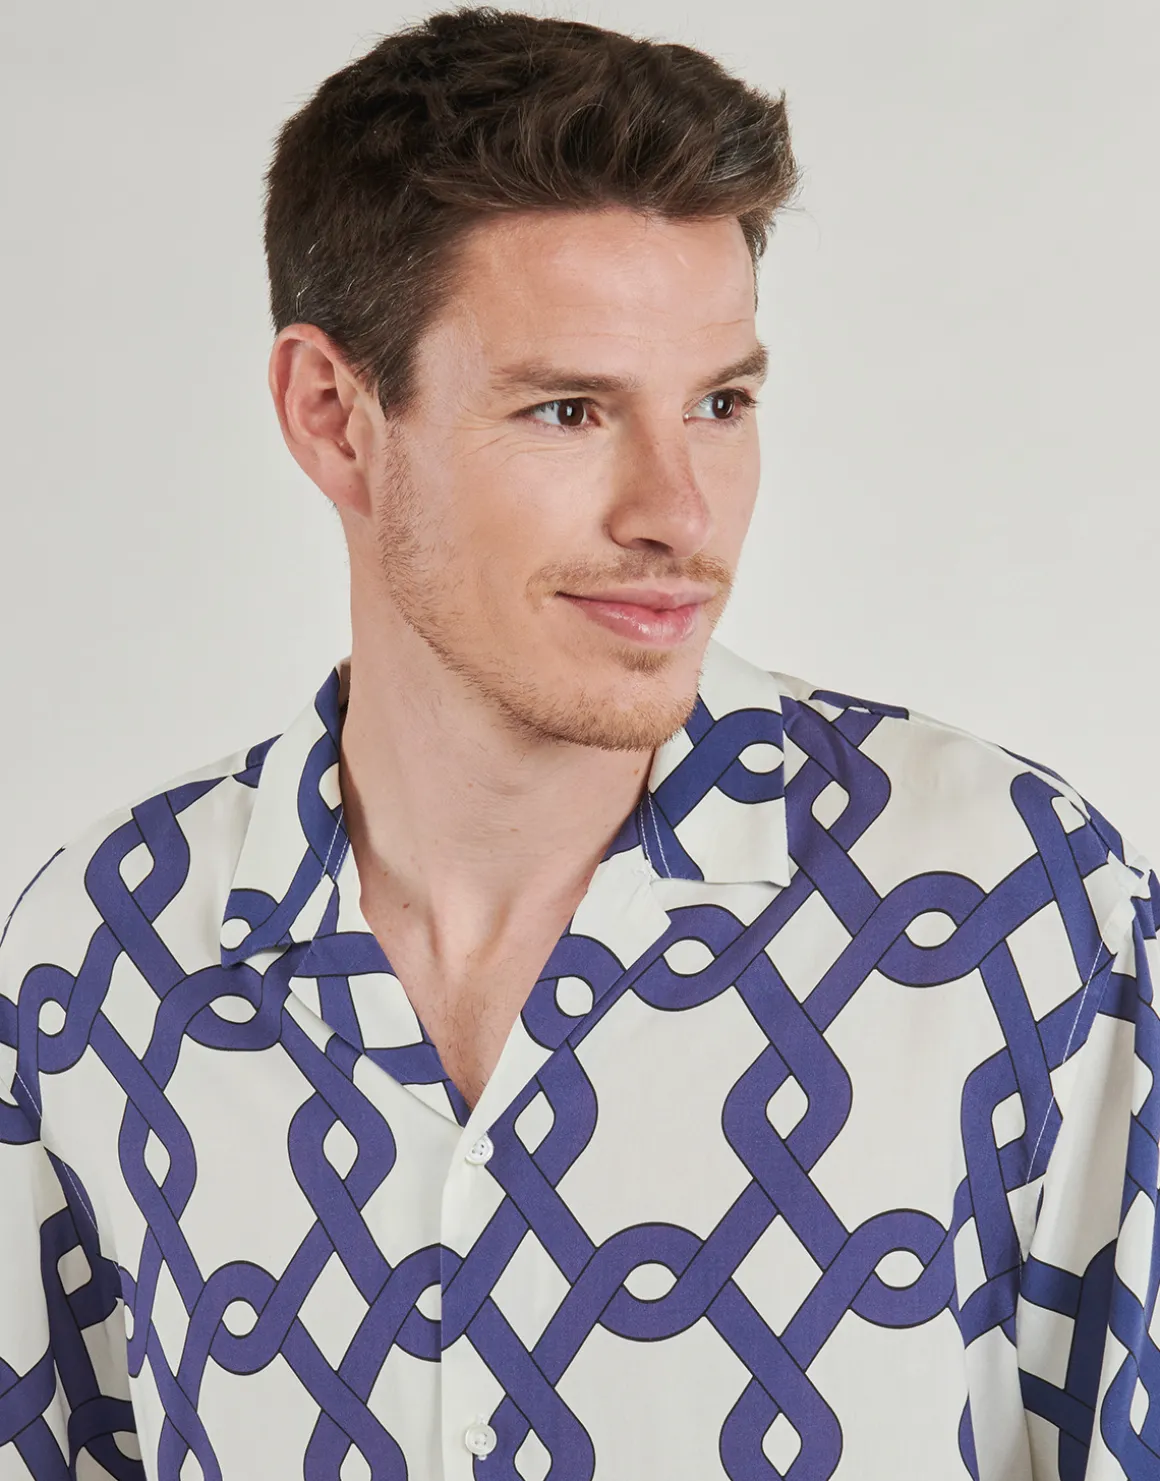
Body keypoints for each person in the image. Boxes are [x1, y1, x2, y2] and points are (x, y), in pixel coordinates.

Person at [1, 6, 1156, 1478]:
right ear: (334, 418)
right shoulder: (103, 961)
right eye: (568, 410)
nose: (679, 512)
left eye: (722, 403)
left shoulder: (1014, 913)